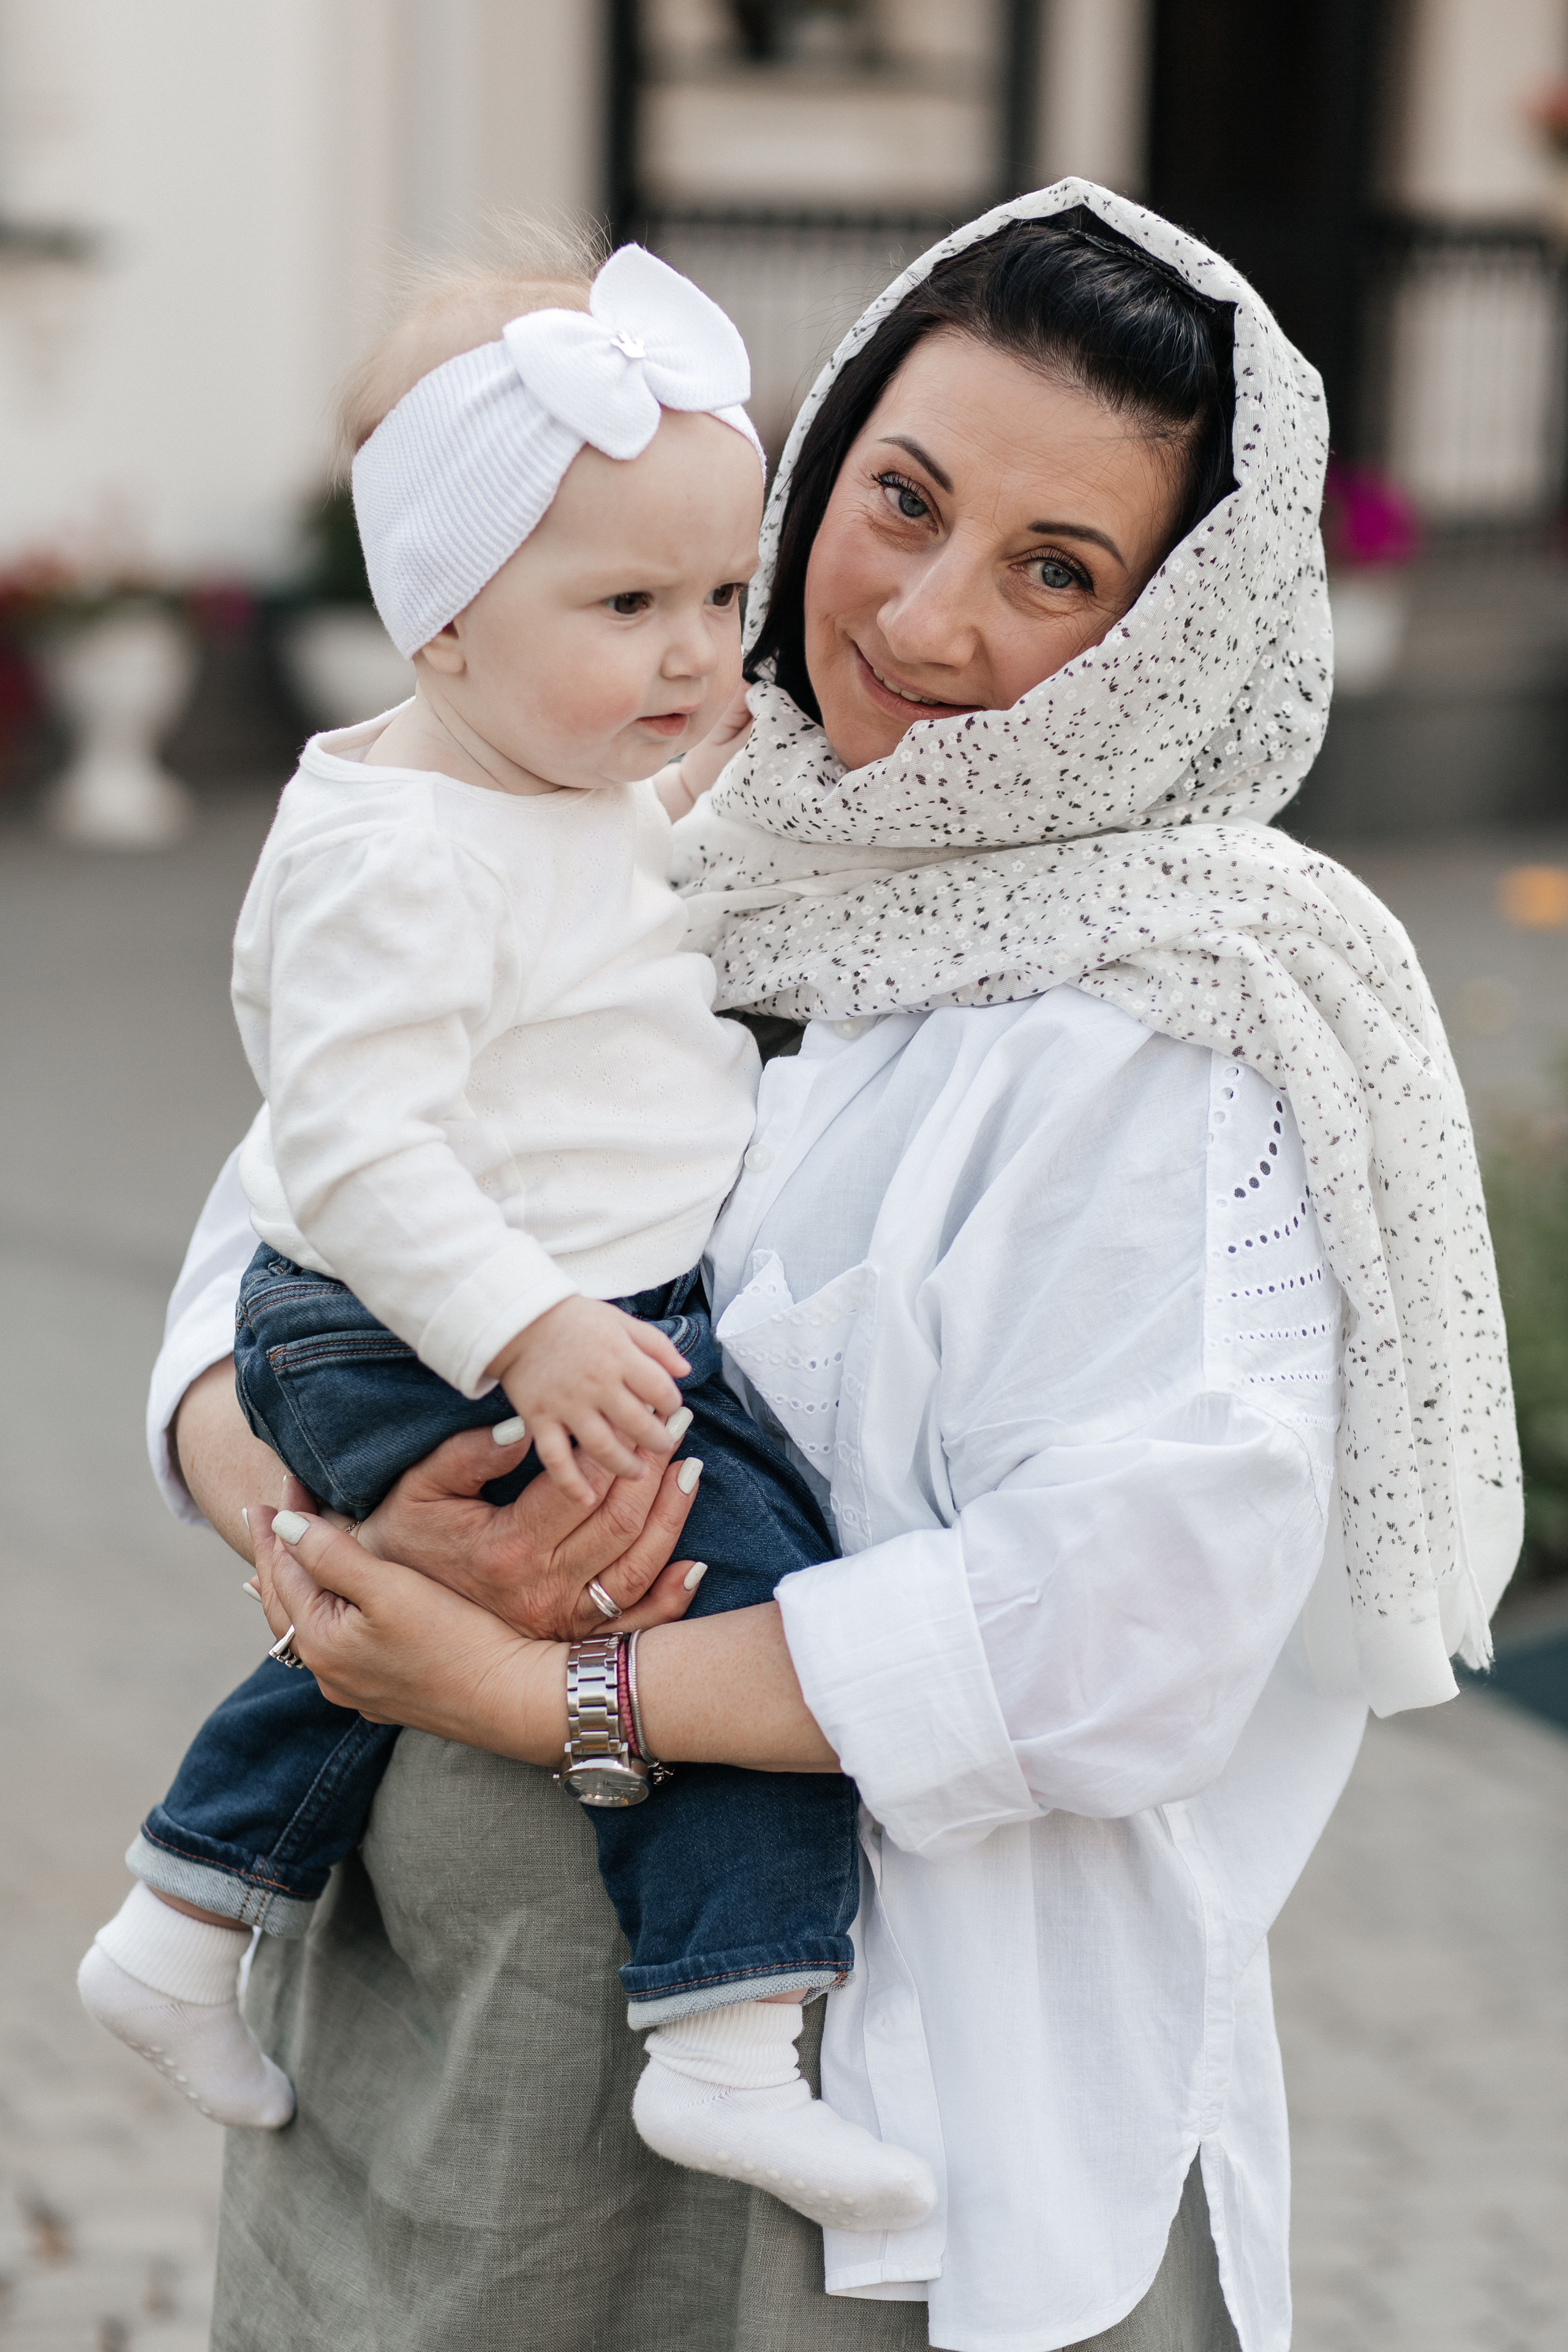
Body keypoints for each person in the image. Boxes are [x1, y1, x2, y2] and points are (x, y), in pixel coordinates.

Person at [145, 183, 1519, 2352]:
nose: (928, 618)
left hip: (883, 2098)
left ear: (1173, 634)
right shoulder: (639, 811)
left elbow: (1123, 1624)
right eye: (904, 499)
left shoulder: (1174, 1035)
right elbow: (279, 1226)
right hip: (444, 2036)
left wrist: (543, 1689)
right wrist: (339, 1531)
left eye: (1057, 571)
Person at [78, 237, 935, 2230]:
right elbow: (350, 1164)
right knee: (740, 1603)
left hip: (499, 1318)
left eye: (720, 599)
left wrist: (686, 771)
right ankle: (725, 2035)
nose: (695, 655)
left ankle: (184, 1918)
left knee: (400, 1619)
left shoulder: (553, 779)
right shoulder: (402, 851)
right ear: (436, 622)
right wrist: (528, 1328)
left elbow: (626, 894)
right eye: (629, 604)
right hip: (428, 1327)